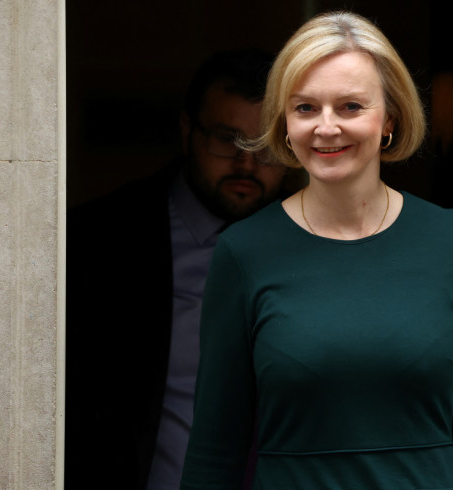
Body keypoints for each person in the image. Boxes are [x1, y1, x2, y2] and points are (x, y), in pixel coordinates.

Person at [181, 11, 453, 490]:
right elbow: (216, 443)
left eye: (351, 106)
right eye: (306, 108)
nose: (327, 127)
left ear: (389, 120)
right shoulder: (243, 252)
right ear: (284, 122)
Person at [65, 49, 287, 490]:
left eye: (265, 147)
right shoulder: (99, 242)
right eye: (227, 139)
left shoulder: (314, 242)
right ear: (188, 131)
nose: (246, 164)